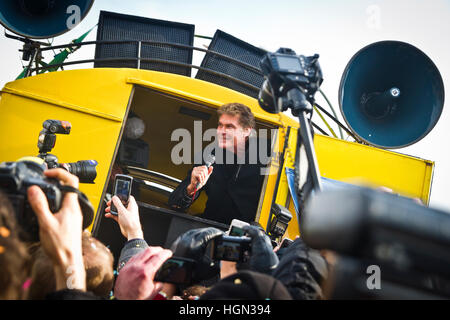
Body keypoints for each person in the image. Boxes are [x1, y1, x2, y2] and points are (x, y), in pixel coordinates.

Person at [168, 103, 268, 225]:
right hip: (208, 231)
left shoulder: (266, 157)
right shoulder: (209, 155)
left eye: (229, 127)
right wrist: (191, 188)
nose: (221, 131)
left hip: (247, 237)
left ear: (247, 131)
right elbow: (175, 205)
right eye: (220, 125)